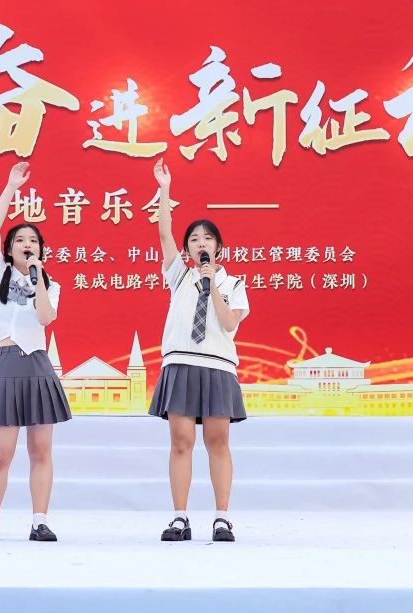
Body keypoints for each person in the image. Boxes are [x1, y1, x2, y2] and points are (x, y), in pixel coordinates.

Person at [148, 158, 250, 543]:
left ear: (219, 247)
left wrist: (213, 285)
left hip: (218, 367)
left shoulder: (234, 284)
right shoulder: (179, 275)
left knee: (218, 443)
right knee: (181, 443)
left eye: (207, 239)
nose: (200, 244)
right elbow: (163, 231)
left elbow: (229, 323)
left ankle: (222, 517)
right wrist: (164, 188)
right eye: (194, 239)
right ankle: (180, 517)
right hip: (181, 363)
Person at [0, 162, 72, 543]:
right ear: (9, 248)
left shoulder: (50, 285)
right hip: (5, 365)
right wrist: (11, 186)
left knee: (40, 450)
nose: (27, 244)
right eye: (20, 240)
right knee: (2, 451)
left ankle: (39, 521)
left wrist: (39, 278)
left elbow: (45, 317)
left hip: (37, 367)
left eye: (33, 241)